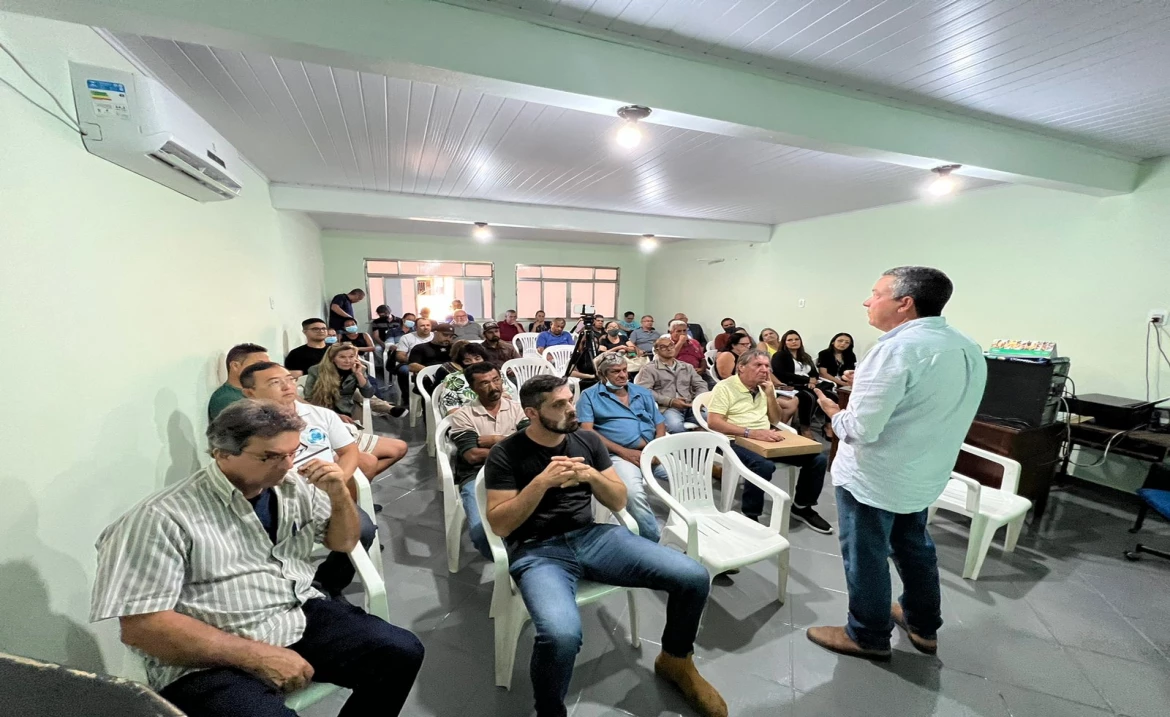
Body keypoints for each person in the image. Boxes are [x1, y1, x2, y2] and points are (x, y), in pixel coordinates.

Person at [90, 400, 424, 717]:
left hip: (289, 611)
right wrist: (257, 655)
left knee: (400, 651)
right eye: (272, 456)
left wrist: (338, 493)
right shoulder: (161, 518)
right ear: (222, 453)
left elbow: (344, 541)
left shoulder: (292, 487)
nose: (288, 465)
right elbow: (141, 627)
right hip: (207, 652)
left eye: (293, 453)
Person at [484, 375, 726, 717]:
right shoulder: (505, 453)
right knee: (561, 635)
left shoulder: (586, 441)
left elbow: (617, 500)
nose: (571, 409)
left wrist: (591, 476)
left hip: (593, 537)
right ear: (532, 413)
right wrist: (541, 483)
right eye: (559, 404)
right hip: (538, 551)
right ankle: (549, 711)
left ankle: (675, 659)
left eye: (570, 400)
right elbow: (500, 524)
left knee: (693, 576)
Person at [807, 266, 986, 662]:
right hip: (924, 472)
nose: (867, 301)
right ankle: (923, 624)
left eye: (875, 293)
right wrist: (869, 387)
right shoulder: (966, 346)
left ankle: (867, 634)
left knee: (866, 553)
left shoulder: (894, 349)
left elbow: (860, 430)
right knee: (914, 546)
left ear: (904, 303)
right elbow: (927, 405)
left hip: (876, 477)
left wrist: (833, 411)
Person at [239, 363, 389, 596]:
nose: (287, 386)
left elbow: (349, 451)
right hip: (272, 494)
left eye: (289, 379)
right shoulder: (244, 426)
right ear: (250, 393)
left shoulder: (321, 416)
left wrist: (339, 478)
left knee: (363, 530)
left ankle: (328, 584)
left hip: (323, 493)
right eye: (275, 383)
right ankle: (278, 593)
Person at [706, 350, 832, 534]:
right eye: (758, 365)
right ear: (741, 367)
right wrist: (752, 433)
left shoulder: (765, 387)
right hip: (735, 440)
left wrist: (770, 395)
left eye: (767, 366)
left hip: (766, 437)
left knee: (817, 459)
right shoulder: (725, 387)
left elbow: (775, 419)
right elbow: (714, 422)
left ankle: (802, 507)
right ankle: (751, 514)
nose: (765, 370)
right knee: (763, 466)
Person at [576, 353, 669, 543]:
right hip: (619, 454)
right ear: (603, 375)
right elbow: (588, 432)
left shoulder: (641, 392)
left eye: (625, 370)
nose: (622, 375)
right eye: (615, 371)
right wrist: (624, 452)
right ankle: (653, 541)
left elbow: (660, 423)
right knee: (633, 494)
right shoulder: (590, 396)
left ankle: (689, 531)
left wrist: (657, 447)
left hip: (652, 451)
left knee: (692, 480)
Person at [447, 362, 527, 560]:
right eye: (484, 383)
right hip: (476, 474)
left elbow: (531, 443)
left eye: (496, 380)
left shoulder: (519, 409)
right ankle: (510, 564)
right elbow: (472, 455)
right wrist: (513, 443)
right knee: (481, 533)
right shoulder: (463, 416)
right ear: (473, 388)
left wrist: (496, 440)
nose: (493, 387)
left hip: (518, 470)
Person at [306, 343, 407, 419]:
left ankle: (387, 408)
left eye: (351, 357)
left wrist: (359, 374)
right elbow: (310, 397)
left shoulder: (358, 368)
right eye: (342, 357)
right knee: (357, 396)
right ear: (332, 359)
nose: (348, 361)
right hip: (324, 406)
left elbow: (368, 394)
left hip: (347, 403)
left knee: (360, 396)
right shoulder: (316, 370)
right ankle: (387, 408)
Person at [636, 335, 708, 434]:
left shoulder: (686, 366)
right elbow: (645, 390)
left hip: (690, 405)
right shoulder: (649, 369)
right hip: (667, 408)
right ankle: (686, 447)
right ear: (656, 351)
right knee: (675, 427)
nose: (669, 348)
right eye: (663, 347)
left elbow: (701, 384)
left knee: (714, 419)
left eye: (671, 345)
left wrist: (698, 400)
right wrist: (670, 401)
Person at [771, 330, 833, 438]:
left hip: (808, 384)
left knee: (832, 395)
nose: (794, 342)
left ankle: (828, 425)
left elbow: (814, 373)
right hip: (790, 385)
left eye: (796, 339)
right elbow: (782, 374)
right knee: (809, 397)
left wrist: (812, 381)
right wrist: (807, 380)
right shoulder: (780, 355)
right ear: (784, 342)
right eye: (790, 340)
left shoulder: (805, 356)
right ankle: (805, 428)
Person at [436, 341, 516, 414]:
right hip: (466, 418)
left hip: (501, 413)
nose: (474, 363)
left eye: (477, 358)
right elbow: (451, 408)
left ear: (484, 358)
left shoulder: (496, 373)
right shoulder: (453, 379)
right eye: (467, 361)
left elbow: (508, 395)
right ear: (461, 363)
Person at [208, 343, 269, 420]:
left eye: (268, 365)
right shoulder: (227, 400)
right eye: (259, 365)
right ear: (235, 366)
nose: (266, 369)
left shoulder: (257, 391)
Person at [408, 322, 456, 394]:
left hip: (452, 379)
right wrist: (432, 373)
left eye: (451, 336)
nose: (448, 338)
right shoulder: (421, 347)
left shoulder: (454, 348)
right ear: (435, 333)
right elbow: (412, 366)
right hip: (429, 379)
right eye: (445, 335)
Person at [668, 320, 714, 388]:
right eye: (678, 331)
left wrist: (702, 368)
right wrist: (680, 342)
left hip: (698, 373)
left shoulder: (694, 342)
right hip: (679, 375)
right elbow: (669, 357)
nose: (682, 333)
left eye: (684, 330)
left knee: (714, 386)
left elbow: (702, 359)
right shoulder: (667, 344)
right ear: (671, 332)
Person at [395, 317, 433, 397]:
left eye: (428, 325)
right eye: (422, 326)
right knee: (403, 370)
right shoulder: (406, 338)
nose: (426, 328)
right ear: (416, 327)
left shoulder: (435, 336)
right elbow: (400, 356)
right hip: (411, 363)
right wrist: (414, 361)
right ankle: (407, 397)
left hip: (432, 362)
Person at [370, 305, 403, 371]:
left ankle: (395, 365)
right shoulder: (376, 322)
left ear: (388, 313)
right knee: (376, 349)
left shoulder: (399, 320)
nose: (381, 317)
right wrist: (384, 345)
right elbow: (376, 336)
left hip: (397, 342)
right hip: (382, 342)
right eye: (379, 315)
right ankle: (385, 365)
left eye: (383, 315)